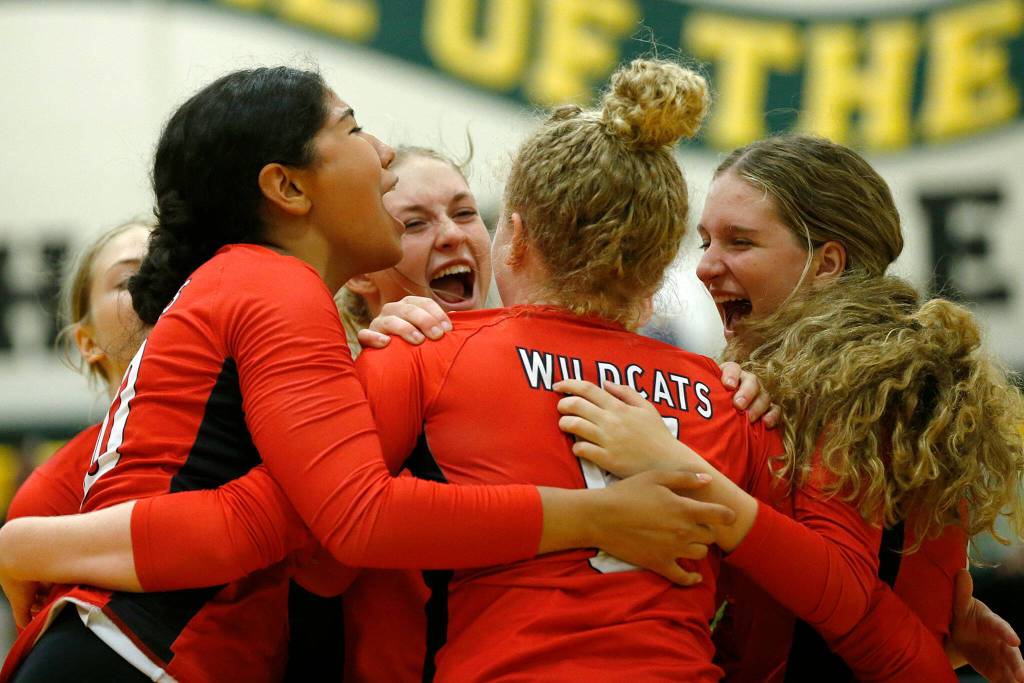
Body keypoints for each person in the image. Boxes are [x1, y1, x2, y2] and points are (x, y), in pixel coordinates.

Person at [2, 58, 951, 681]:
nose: (447, 232)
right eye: (406, 214)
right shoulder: (723, 400)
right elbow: (811, 610)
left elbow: (323, 547)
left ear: (513, 237)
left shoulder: (429, 358)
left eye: (466, 210)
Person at [554, 133, 1024, 682]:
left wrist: (678, 468)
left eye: (740, 242)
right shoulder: (858, 366)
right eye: (705, 241)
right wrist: (946, 636)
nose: (705, 266)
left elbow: (845, 595)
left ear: (825, 265)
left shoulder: (861, 384)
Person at [6, 220, 150, 525]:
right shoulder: (51, 498)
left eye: (175, 275)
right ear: (88, 342)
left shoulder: (256, 451)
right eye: (128, 280)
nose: (155, 287)